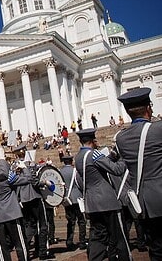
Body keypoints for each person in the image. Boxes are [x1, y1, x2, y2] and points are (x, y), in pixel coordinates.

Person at [116, 87, 162, 259]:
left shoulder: (121, 138)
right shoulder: (158, 130)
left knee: (156, 249)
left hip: (142, 202)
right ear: (148, 108)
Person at [75, 128, 131, 261]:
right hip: (107, 202)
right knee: (119, 237)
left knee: (98, 238)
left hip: (92, 203)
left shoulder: (78, 157)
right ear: (93, 141)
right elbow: (116, 170)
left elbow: (96, 168)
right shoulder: (94, 154)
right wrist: (124, 158)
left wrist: (110, 157)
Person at [12, 143, 53, 260]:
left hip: (22, 200)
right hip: (34, 196)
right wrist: (44, 182)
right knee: (42, 225)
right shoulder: (29, 164)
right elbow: (34, 181)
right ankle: (42, 252)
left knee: (29, 226)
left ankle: (25, 247)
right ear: (24, 151)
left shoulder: (13, 166)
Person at [59, 155, 87, 251]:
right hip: (77, 198)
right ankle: (82, 241)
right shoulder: (75, 171)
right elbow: (80, 183)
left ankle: (69, 241)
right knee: (81, 221)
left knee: (70, 221)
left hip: (67, 199)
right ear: (71, 161)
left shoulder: (60, 172)